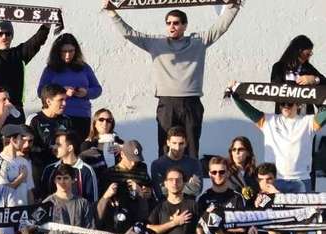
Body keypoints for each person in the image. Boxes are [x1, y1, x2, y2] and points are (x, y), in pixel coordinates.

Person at [103, 0, 242, 157]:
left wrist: (234, 5)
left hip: (191, 102)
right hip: (167, 103)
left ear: (184, 25)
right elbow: (130, 34)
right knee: (164, 148)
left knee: (192, 148)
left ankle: (192, 181)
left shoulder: (198, 41)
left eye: (176, 23)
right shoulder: (156, 43)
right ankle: (163, 181)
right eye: (168, 23)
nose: (172, 26)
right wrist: (111, 12)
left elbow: (220, 27)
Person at [230, 82, 326, 193]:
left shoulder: (308, 122)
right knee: (272, 210)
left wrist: (315, 81)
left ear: (298, 104)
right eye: (281, 103)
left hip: (301, 180)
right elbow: (247, 110)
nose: (285, 106)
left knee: (302, 210)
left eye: (289, 103)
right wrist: (235, 91)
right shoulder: (269, 120)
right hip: (274, 179)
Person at [36, 33, 102, 141]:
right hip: (59, 117)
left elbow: (98, 89)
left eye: (71, 51)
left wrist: (86, 93)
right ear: (57, 52)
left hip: (82, 116)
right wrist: (61, 91)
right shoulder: (51, 69)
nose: (68, 55)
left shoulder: (84, 68)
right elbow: (41, 92)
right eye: (64, 51)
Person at [146, 167, 198, 234]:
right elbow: (151, 230)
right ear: (165, 183)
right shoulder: (159, 206)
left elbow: (200, 233)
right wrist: (174, 222)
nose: (175, 183)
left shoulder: (193, 205)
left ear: (184, 183)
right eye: (171, 180)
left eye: (178, 180)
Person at [25, 83, 72, 174]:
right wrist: (49, 149)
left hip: (63, 171)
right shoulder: (34, 120)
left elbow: (73, 144)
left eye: (65, 100)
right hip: (40, 169)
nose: (64, 103)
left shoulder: (66, 120)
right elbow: (27, 146)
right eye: (60, 100)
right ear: (48, 102)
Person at [270, 35, 323, 114]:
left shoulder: (308, 68)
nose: (308, 57)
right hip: (285, 117)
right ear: (298, 51)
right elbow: (276, 91)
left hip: (305, 119)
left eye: (310, 54)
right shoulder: (279, 67)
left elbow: (323, 82)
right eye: (307, 54)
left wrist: (314, 79)